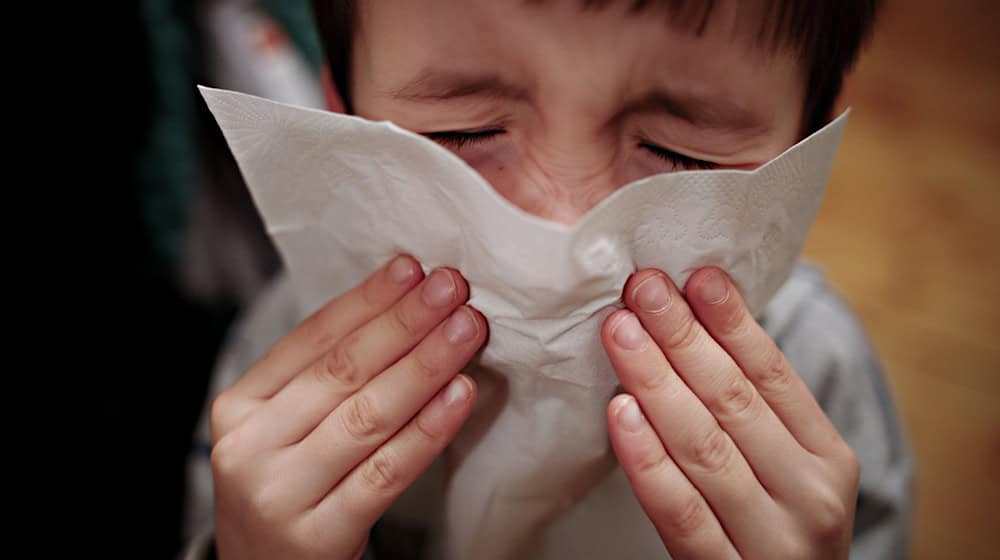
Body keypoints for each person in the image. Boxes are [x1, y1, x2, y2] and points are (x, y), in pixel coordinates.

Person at [183, 1, 913, 558]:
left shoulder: (819, 377)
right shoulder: (291, 354)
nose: (566, 233)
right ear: (340, 116)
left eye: (679, 154)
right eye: (462, 133)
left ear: (803, 155)